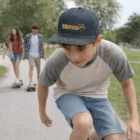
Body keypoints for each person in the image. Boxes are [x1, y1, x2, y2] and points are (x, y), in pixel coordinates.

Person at [38, 8, 140, 140]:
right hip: (68, 93)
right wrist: (42, 113)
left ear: (97, 41)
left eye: (81, 48)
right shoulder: (58, 59)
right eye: (67, 48)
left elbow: (127, 84)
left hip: (98, 96)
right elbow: (43, 84)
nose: (74, 56)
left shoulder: (113, 54)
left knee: (115, 138)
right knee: (83, 124)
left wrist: (134, 119)